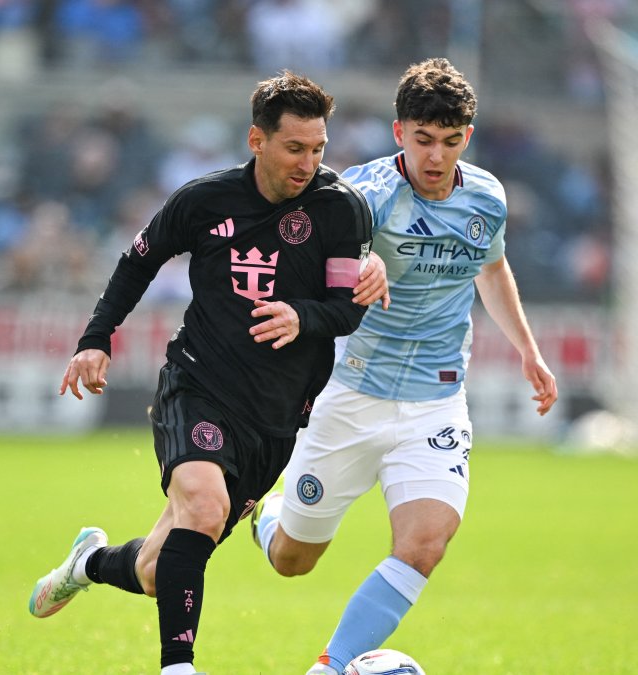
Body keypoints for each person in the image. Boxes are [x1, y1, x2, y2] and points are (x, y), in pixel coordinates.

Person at [28, 71, 390, 675]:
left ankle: (88, 563)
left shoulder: (339, 210)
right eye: (295, 148)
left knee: (155, 571)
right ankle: (179, 666)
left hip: (275, 417)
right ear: (257, 139)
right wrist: (95, 340)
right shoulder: (204, 200)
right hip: (198, 385)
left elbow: (346, 310)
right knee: (201, 504)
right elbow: (135, 264)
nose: (309, 162)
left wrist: (302, 317)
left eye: (318, 148)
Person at [250, 58, 559, 675]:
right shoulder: (364, 195)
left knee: (424, 544)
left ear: (466, 137)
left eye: (448, 142)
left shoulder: (487, 197)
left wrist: (528, 348)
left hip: (435, 402)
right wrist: (361, 267)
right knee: (293, 560)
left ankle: (331, 666)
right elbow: (323, 260)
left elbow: (491, 268)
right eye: (422, 140)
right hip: (351, 393)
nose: (435, 157)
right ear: (399, 134)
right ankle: (269, 515)